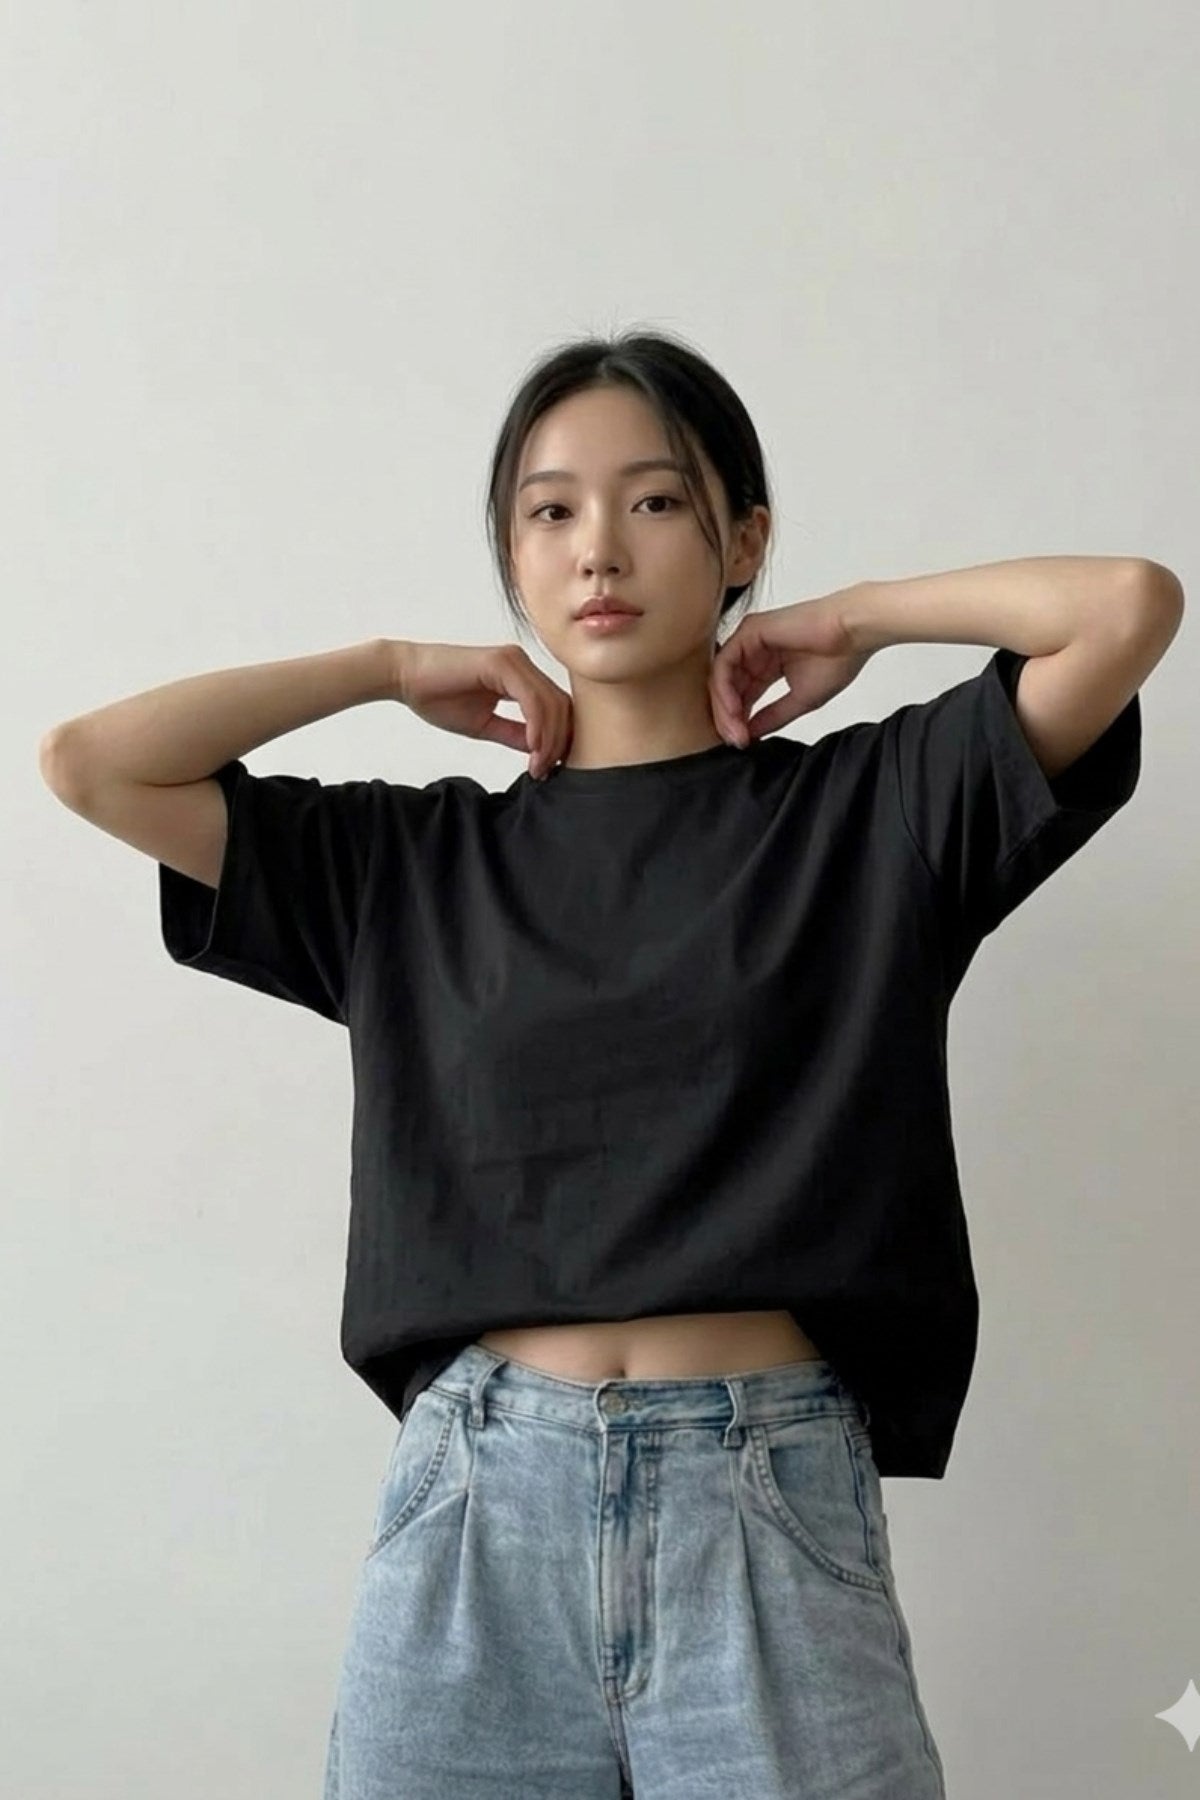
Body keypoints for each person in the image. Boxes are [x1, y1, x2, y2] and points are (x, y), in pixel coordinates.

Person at [40, 327, 1160, 1798]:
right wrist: (386, 668)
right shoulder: (409, 864)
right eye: (550, 511)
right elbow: (93, 762)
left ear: (741, 537)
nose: (599, 551)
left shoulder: (873, 811)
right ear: (512, 557)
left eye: (656, 500)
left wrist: (856, 618)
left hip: (763, 1505)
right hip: (475, 1511)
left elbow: (1124, 608)